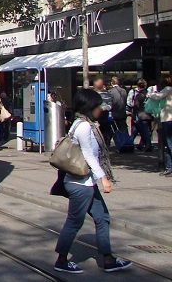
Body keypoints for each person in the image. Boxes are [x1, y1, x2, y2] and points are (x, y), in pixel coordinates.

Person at [53, 89, 132, 274]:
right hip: (80, 184)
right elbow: (88, 155)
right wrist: (103, 178)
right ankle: (62, 260)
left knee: (102, 217)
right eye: (98, 105)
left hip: (86, 182)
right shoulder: (84, 127)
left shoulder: (82, 124)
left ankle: (108, 258)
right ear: (90, 107)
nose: (101, 109)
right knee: (74, 221)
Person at [148, 76, 172, 177]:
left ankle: (169, 167)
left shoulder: (168, 89)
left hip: (168, 119)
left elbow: (157, 96)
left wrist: (150, 93)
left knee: (169, 144)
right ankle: (169, 166)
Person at [129, 80, 152, 152]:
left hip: (141, 115)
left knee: (144, 131)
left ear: (138, 87)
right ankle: (141, 145)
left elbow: (135, 106)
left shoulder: (138, 96)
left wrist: (133, 116)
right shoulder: (149, 95)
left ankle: (148, 145)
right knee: (146, 131)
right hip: (149, 115)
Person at [93, 78, 114, 147]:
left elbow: (110, 105)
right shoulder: (93, 94)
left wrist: (104, 108)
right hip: (95, 116)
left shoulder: (107, 93)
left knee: (105, 130)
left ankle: (105, 143)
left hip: (104, 115)